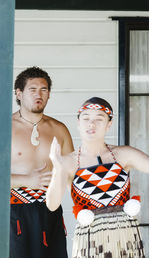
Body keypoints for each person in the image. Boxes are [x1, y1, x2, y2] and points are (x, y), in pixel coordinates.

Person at [46, 97, 149, 258]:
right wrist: (57, 168)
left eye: (99, 119)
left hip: (125, 238)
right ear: (78, 123)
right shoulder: (68, 162)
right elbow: (52, 205)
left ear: (109, 125)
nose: (91, 124)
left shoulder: (123, 154)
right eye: (86, 119)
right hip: (91, 241)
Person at [10, 66, 74, 258]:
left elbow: (73, 175)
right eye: (32, 89)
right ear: (19, 93)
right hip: (13, 212)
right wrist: (26, 180)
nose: (39, 94)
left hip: (49, 210)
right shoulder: (4, 127)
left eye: (44, 90)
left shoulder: (59, 129)